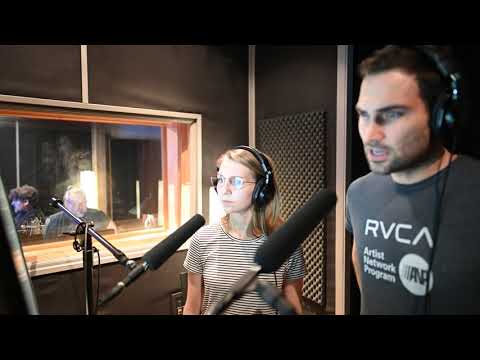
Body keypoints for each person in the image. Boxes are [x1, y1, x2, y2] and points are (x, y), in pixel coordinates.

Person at [346, 45, 480, 315]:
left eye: (392, 114)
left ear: (439, 115)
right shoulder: (359, 192)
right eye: (364, 115)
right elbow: (361, 261)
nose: (371, 134)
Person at [183, 146, 305, 315]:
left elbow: (294, 306)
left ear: (262, 190)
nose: (224, 190)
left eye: (236, 181)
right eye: (221, 179)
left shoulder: (286, 244)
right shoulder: (202, 239)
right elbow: (192, 306)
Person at [44, 186, 117, 240]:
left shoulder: (98, 214)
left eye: (83, 202)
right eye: (77, 204)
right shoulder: (54, 221)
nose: (81, 207)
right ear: (67, 204)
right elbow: (47, 244)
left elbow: (113, 230)